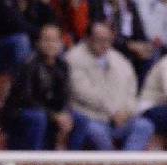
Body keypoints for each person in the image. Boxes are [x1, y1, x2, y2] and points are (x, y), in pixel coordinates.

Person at [66, 22, 154, 150]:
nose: (104, 44)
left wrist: (126, 112)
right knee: (95, 131)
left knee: (144, 125)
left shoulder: (120, 60)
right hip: (92, 117)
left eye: (108, 40)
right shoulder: (73, 58)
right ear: (88, 39)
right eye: (99, 40)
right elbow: (83, 93)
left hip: (121, 118)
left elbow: (132, 92)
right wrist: (113, 112)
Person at [2, 24, 89, 150]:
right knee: (39, 117)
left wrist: (65, 113)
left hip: (49, 113)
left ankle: (71, 162)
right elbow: (27, 99)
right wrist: (54, 116)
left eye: (54, 40)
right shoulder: (28, 64)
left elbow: (65, 95)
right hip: (22, 112)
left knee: (81, 120)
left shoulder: (62, 66)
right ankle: (35, 162)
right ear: (38, 43)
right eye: (46, 40)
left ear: (60, 43)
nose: (50, 44)